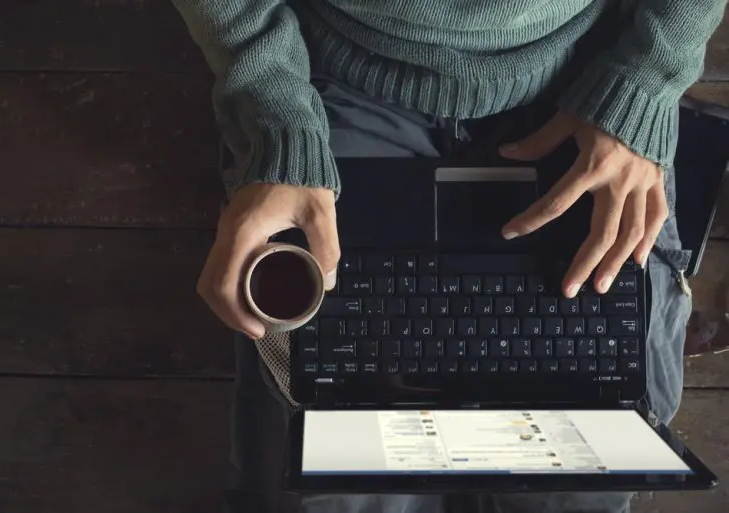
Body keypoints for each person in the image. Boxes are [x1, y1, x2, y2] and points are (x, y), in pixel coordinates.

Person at [172, 1, 726, 512]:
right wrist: (278, 115)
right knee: (340, 474)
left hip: (588, 65)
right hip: (335, 70)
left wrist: (645, 82)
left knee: (590, 468)